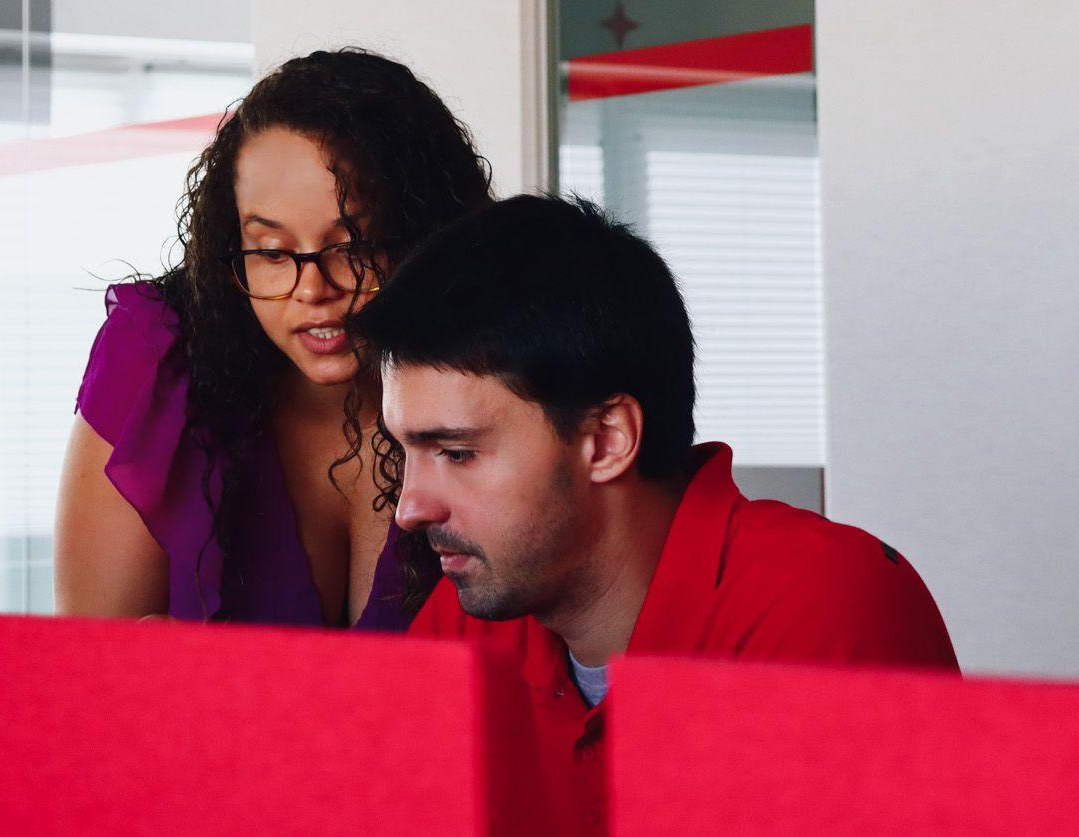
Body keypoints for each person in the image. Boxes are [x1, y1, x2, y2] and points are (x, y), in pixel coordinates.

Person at [355, 194, 957, 831]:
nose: (410, 509)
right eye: (407, 450)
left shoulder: (825, 604)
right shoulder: (465, 619)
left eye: (456, 452)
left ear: (607, 439)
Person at [54, 49, 492, 627]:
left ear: (430, 237)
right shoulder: (158, 361)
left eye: (354, 246)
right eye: (272, 252)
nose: (312, 289)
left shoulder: (502, 378)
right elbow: (94, 678)